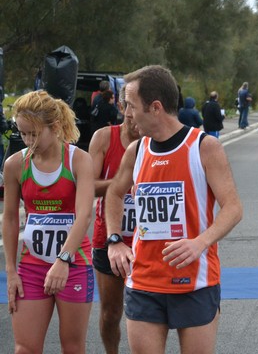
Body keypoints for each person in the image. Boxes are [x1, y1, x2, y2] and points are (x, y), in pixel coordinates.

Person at [104, 65, 243, 354]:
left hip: (194, 281)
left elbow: (233, 208)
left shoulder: (204, 147)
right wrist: (114, 240)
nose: (126, 114)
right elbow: (114, 193)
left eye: (130, 105)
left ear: (155, 107)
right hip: (144, 280)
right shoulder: (137, 151)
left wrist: (200, 243)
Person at [2, 90, 95, 353]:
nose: (28, 140)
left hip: (74, 263)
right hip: (32, 265)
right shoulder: (14, 165)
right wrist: (11, 271)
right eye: (22, 133)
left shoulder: (78, 160)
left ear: (54, 127)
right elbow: (9, 218)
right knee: (25, 348)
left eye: (34, 133)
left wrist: (63, 260)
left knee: (72, 347)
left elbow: (84, 214)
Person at [88, 86, 140, 354]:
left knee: (148, 315)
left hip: (147, 240)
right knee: (111, 314)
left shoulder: (157, 140)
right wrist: (121, 184)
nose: (136, 121)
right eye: (131, 111)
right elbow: (88, 185)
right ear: (122, 109)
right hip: (108, 237)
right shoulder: (104, 138)